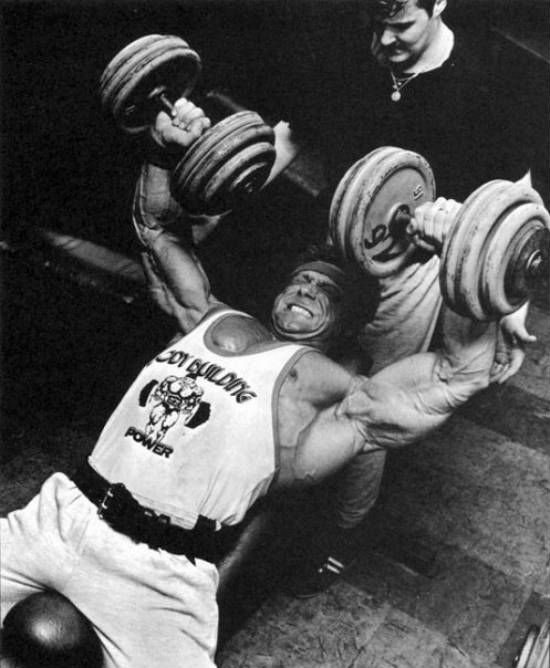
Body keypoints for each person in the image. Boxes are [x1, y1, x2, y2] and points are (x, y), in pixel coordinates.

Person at [0, 98, 500, 668]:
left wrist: (466, 261)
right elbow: (156, 230)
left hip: (156, 579)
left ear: (347, 325)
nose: (307, 290)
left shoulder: (339, 395)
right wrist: (163, 153)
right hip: (60, 516)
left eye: (327, 293)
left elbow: (457, 374)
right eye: (303, 280)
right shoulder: (209, 315)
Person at [272, 0, 539, 596]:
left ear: (439, 2)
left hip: (411, 272)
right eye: (375, 25)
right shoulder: (351, 52)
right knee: (290, 375)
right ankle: (264, 488)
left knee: (368, 404)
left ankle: (339, 534)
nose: (385, 40)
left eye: (401, 25)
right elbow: (291, 132)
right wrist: (219, 190)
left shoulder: (486, 78)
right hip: (331, 248)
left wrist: (510, 304)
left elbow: (513, 204)